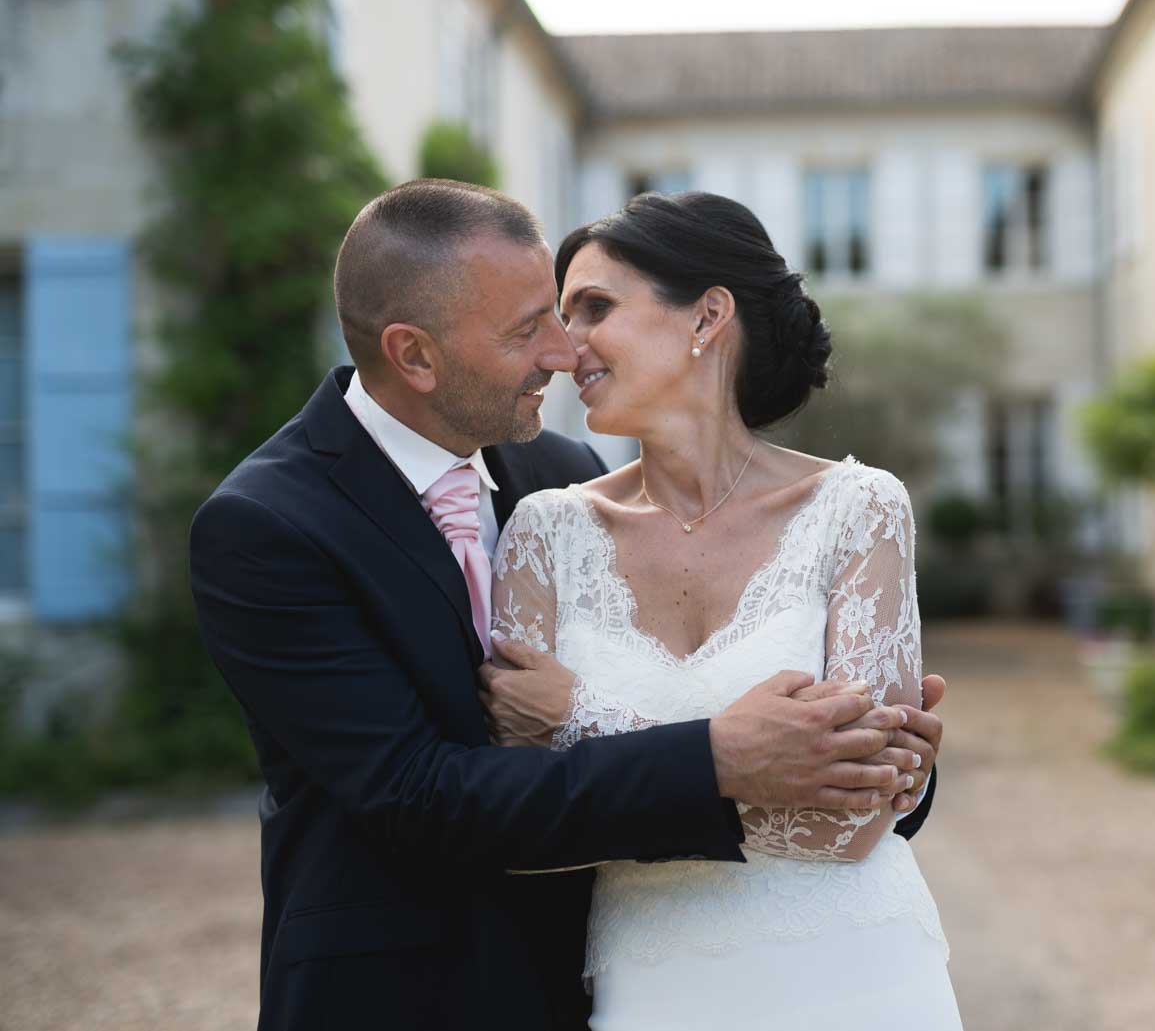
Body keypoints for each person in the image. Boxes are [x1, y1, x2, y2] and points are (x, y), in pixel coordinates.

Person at [187, 179, 946, 1031]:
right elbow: (418, 795)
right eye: (531, 327)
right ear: (416, 355)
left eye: (576, 310)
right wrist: (727, 758)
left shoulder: (551, 471)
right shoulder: (265, 526)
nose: (561, 351)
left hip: (621, 981)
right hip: (402, 993)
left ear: (708, 320)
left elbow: (828, 784)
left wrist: (883, 769)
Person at [481, 190, 963, 1029]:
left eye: (595, 307)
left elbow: (854, 824)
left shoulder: (859, 509)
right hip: (652, 981)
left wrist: (581, 717)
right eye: (561, 317)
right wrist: (761, 768)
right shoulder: (543, 532)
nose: (565, 347)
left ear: (707, 316)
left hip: (863, 974)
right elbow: (523, 824)